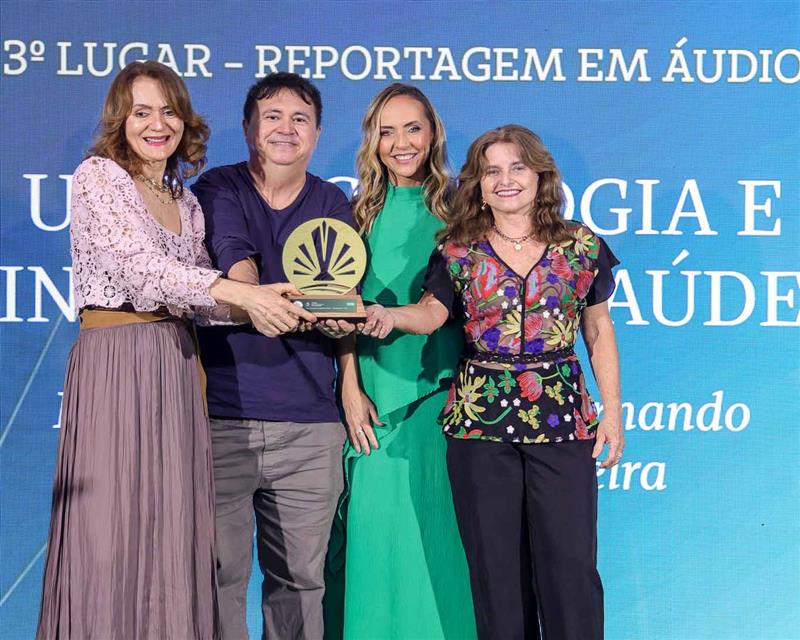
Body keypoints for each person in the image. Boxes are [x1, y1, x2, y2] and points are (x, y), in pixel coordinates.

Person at [36, 61, 315, 640]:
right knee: (111, 530)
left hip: (177, 364)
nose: (157, 124)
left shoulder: (184, 200)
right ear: (121, 119)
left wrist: (269, 302)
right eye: (141, 112)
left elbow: (197, 300)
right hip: (118, 363)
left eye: (168, 111)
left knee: (170, 530)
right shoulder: (99, 177)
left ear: (185, 120)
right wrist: (241, 292)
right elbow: (139, 271)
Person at [360, 124, 622, 640]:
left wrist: (611, 412)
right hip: (480, 429)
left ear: (540, 175)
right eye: (491, 171)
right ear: (477, 184)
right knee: (497, 578)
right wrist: (388, 316)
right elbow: (432, 314)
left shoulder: (581, 246)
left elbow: (598, 329)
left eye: (517, 167)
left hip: (562, 423)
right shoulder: (457, 250)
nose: (506, 180)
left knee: (571, 572)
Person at [191, 72, 354, 640]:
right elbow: (233, 254)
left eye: (300, 118)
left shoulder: (331, 201)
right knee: (217, 577)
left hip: (309, 425)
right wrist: (254, 298)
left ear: (317, 133)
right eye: (272, 117)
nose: (286, 129)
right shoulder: (218, 187)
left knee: (302, 582)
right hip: (221, 420)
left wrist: (341, 321)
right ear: (247, 129)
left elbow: (342, 293)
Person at [327, 84, 476, 639]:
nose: (401, 143)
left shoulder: (464, 212)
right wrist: (349, 385)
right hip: (371, 401)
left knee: (440, 543)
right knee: (377, 544)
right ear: (373, 141)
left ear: (432, 133)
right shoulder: (354, 214)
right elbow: (340, 308)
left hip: (444, 399)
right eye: (386, 132)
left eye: (412, 128)